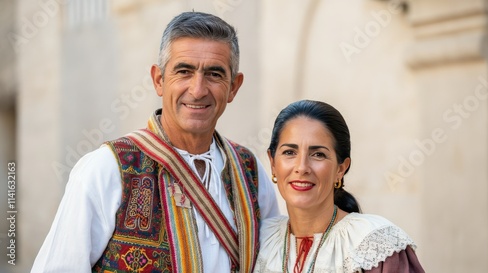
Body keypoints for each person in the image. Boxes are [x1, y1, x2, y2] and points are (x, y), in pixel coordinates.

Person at [31, 11, 280, 273]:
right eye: (184, 71)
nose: (197, 90)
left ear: (233, 87)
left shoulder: (250, 172)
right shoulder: (106, 169)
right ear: (159, 80)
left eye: (214, 74)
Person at [253, 100, 425, 273]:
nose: (302, 167)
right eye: (290, 152)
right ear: (273, 162)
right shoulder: (258, 241)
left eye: (318, 154)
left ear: (341, 169)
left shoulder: (375, 244)